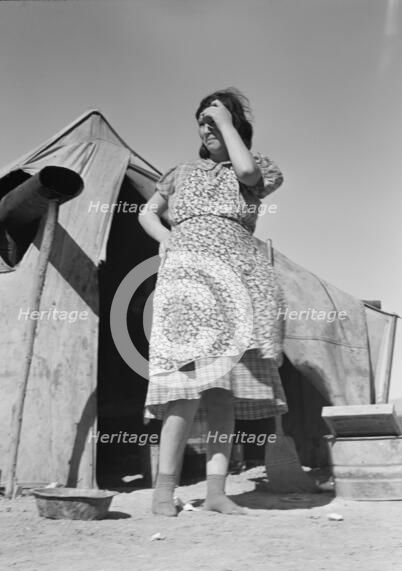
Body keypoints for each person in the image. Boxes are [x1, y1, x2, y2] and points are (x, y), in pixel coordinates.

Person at [138, 87, 287, 516]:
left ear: (235, 123)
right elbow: (147, 211)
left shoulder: (260, 167)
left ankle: (217, 492)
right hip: (188, 279)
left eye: (215, 121)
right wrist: (167, 238)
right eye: (201, 124)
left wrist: (224, 120)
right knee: (184, 386)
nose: (206, 129)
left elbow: (246, 171)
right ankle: (164, 492)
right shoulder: (181, 172)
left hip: (238, 278)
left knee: (221, 391)